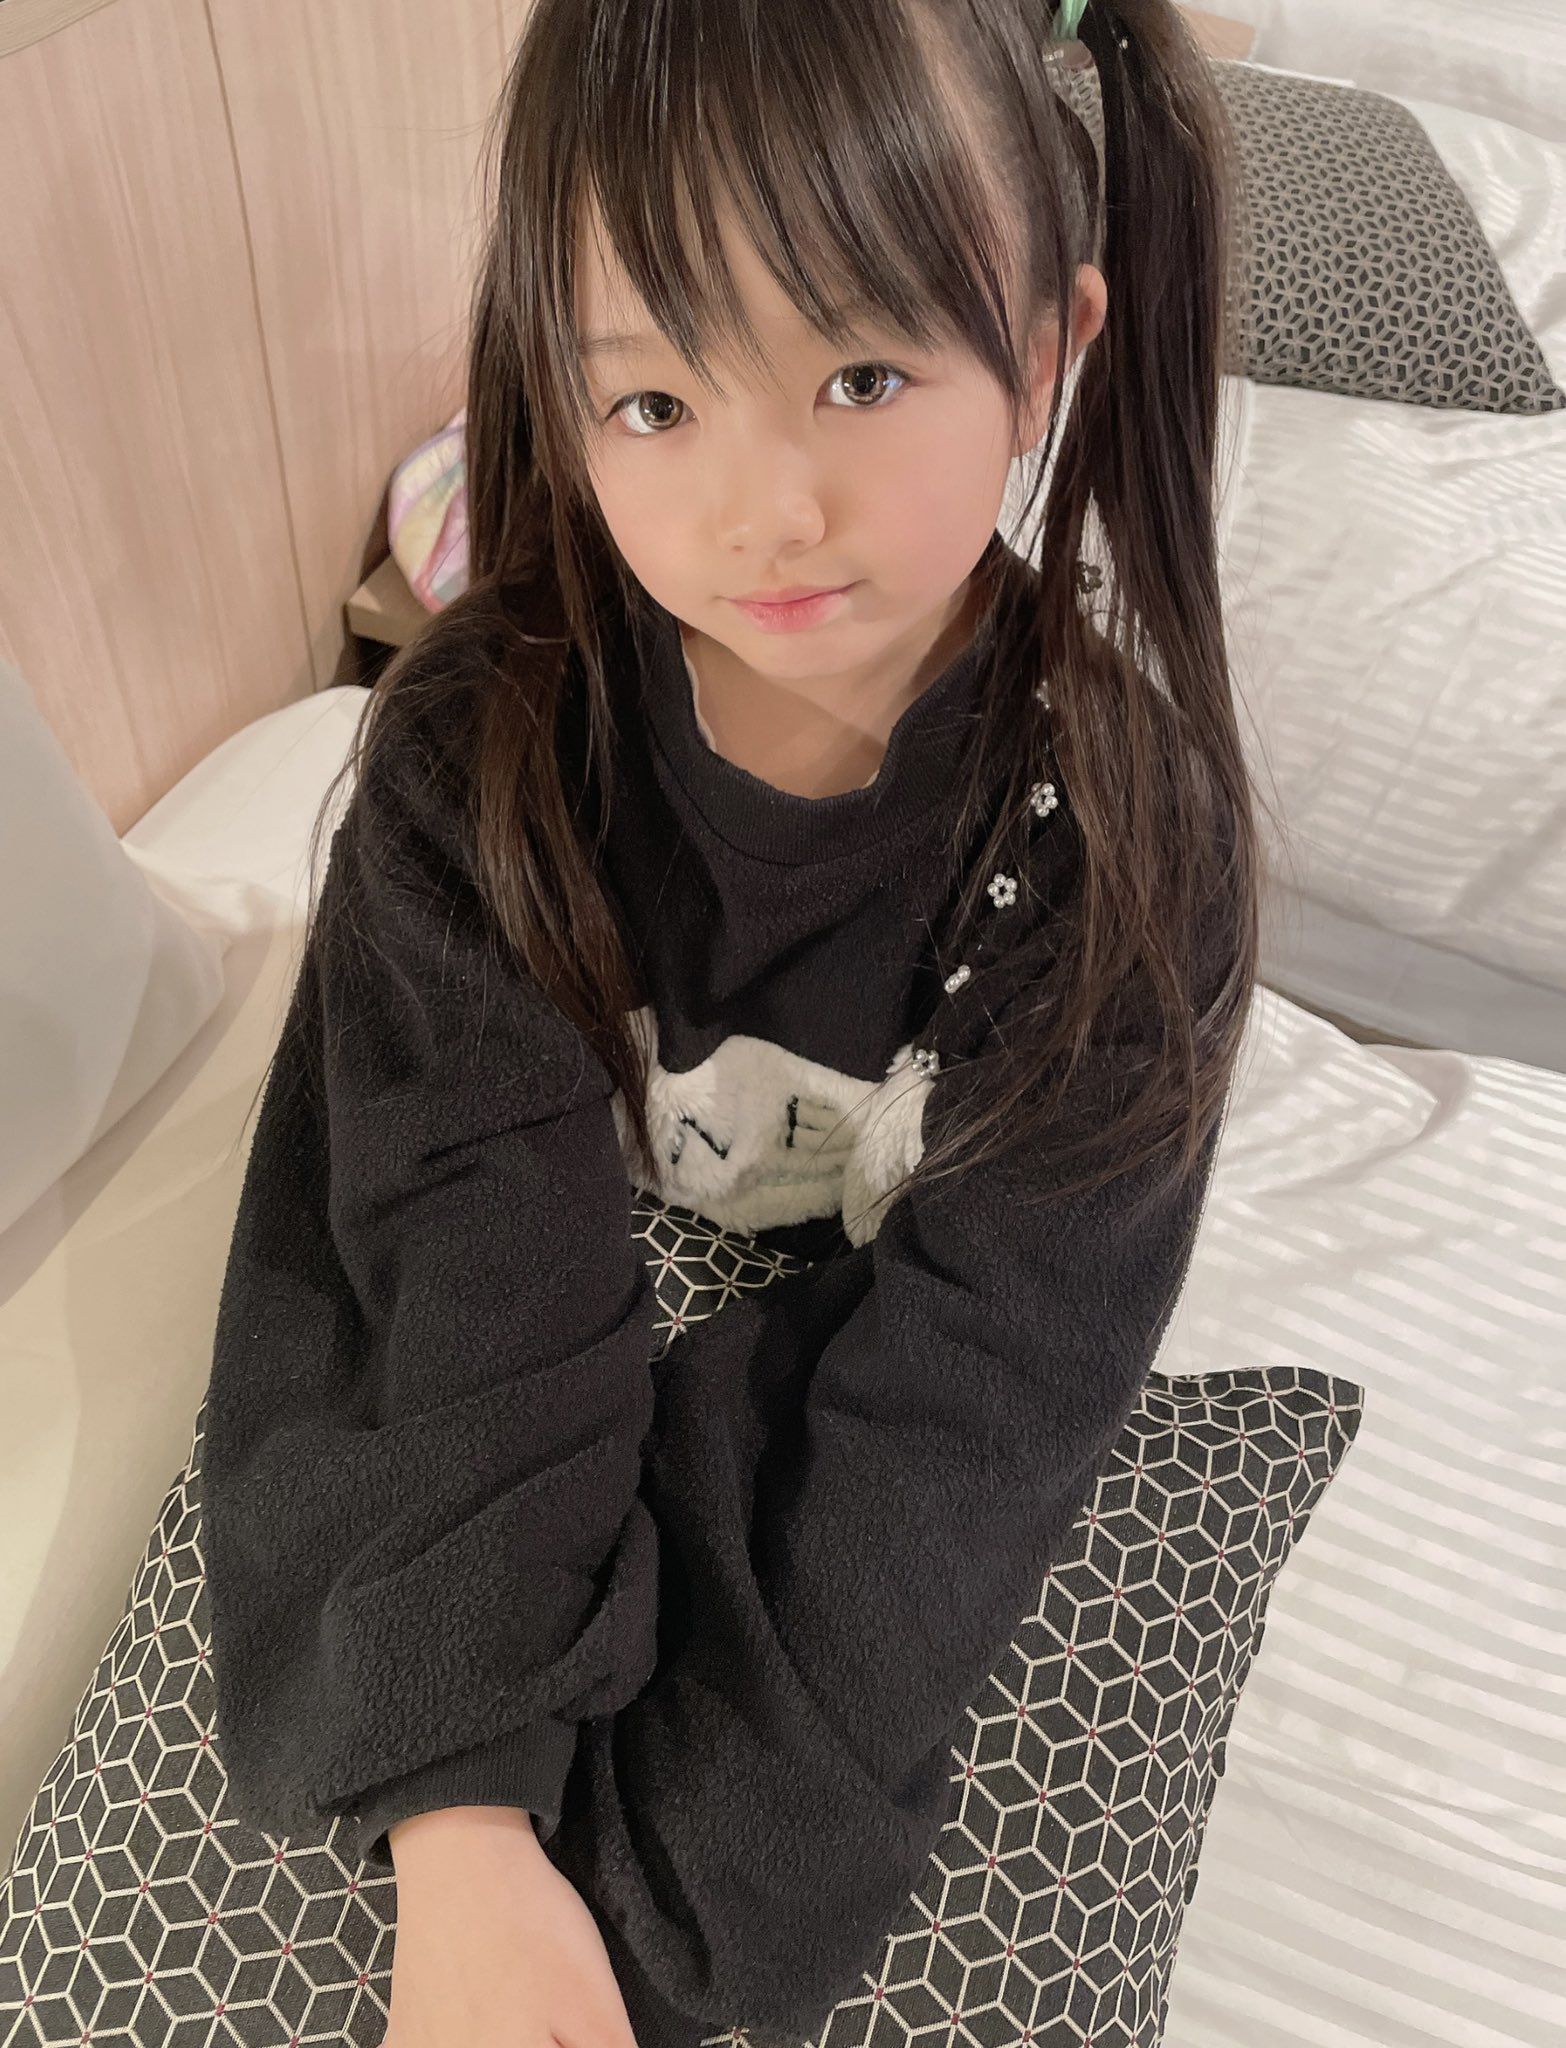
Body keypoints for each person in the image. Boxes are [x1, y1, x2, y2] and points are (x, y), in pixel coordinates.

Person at [197, 1, 1262, 2043]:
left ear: (1046, 350)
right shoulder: (476, 763)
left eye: (861, 376)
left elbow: (966, 1411)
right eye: (656, 402)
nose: (765, 508)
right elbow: (460, 1270)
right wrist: (464, 1833)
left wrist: (662, 1933)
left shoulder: (1126, 854)